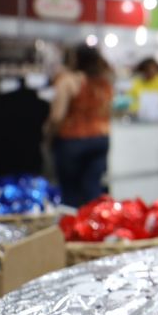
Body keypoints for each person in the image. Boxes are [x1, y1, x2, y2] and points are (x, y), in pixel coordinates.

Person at [50, 44, 114, 207]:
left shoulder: (68, 81)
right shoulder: (105, 82)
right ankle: (94, 227)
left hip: (72, 140)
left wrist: (49, 136)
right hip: (101, 138)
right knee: (93, 190)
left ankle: (72, 230)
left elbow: (57, 116)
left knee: (70, 193)